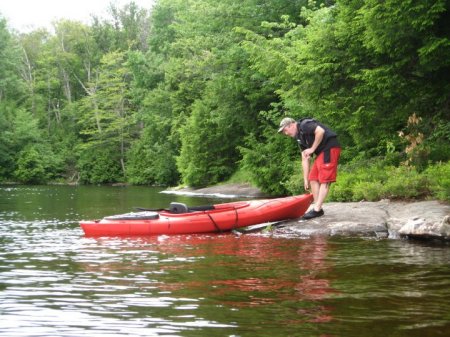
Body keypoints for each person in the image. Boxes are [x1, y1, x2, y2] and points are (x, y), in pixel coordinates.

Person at [278, 117, 341, 219]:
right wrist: (305, 179)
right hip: (321, 152)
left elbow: (320, 131)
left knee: (325, 179)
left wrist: (312, 149)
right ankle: (318, 208)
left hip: (330, 148)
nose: (286, 133)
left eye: (285, 130)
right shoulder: (299, 138)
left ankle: (317, 209)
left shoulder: (304, 125)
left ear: (291, 125)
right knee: (312, 178)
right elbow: (305, 158)